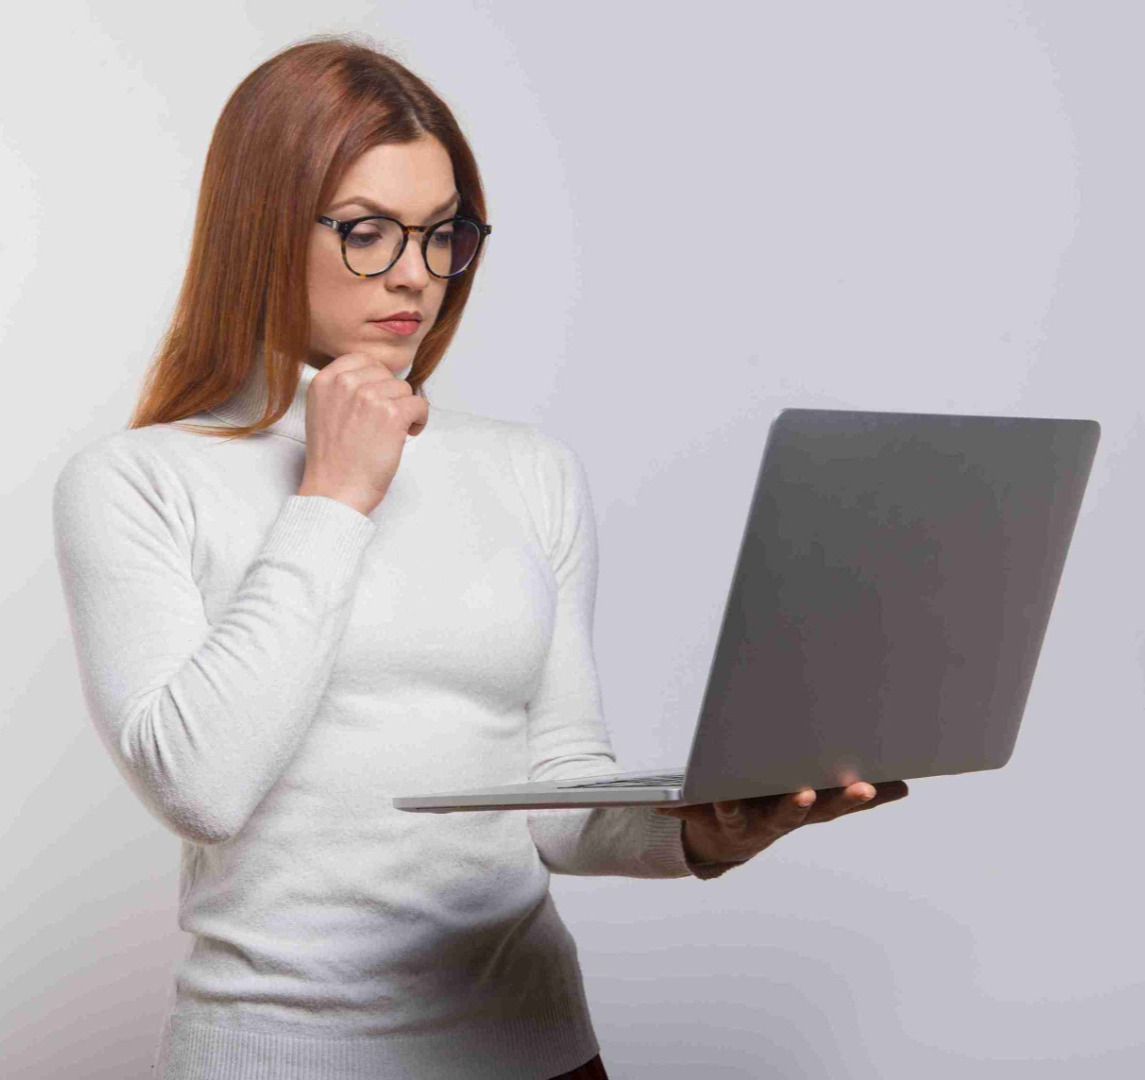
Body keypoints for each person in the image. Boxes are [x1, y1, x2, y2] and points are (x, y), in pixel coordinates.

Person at [50, 33, 908, 1080]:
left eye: (441, 233)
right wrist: (334, 495)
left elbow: (556, 797)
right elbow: (201, 789)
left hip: (538, 1049)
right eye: (368, 231)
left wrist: (703, 835)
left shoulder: (527, 470)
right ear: (261, 231)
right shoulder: (138, 480)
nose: (415, 276)